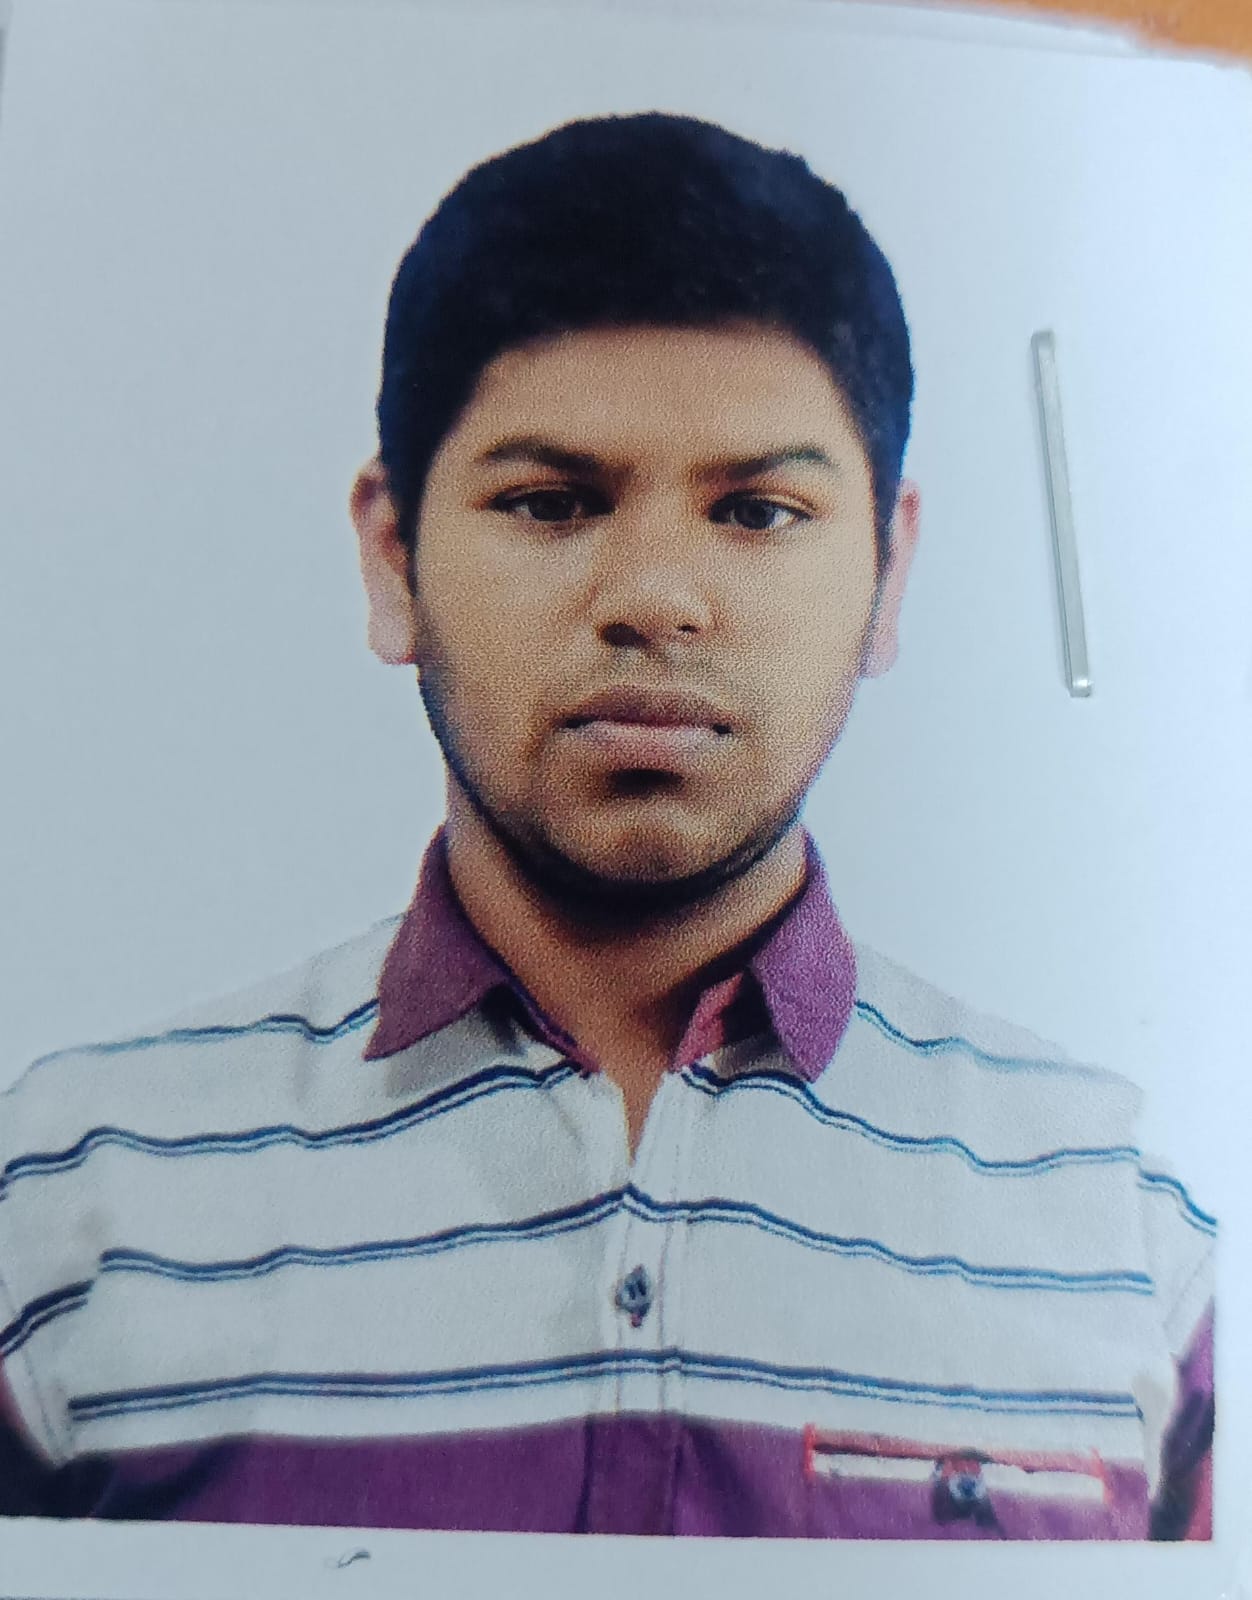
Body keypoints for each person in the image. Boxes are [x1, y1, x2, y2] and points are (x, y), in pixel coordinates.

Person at [0, 112, 1214, 1540]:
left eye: (757, 512)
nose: (654, 599)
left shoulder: (1133, 1249)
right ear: (393, 559)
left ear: (889, 574)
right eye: (552, 502)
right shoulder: (69, 1209)